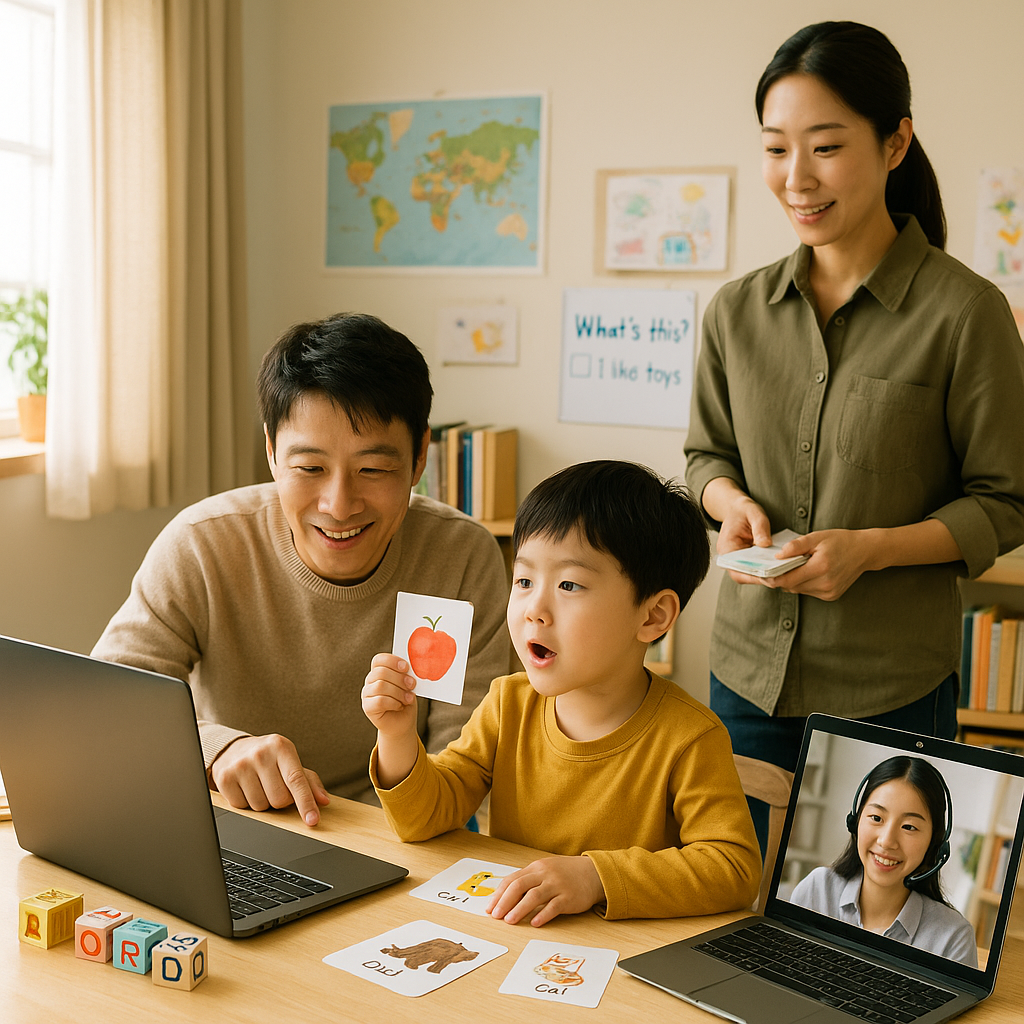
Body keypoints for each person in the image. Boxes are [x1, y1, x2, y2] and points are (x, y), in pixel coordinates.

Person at [684, 21, 1024, 841]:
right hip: (745, 681)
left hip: (892, 693)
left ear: (895, 141)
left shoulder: (966, 313)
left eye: (826, 147)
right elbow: (705, 456)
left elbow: (1007, 504)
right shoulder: (737, 311)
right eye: (775, 149)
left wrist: (870, 549)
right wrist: (728, 503)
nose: (796, 178)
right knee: (733, 906)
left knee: (874, 937)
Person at [93, 312, 510, 825]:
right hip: (236, 825)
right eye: (309, 468)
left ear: (420, 456)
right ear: (270, 451)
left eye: (373, 470)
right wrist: (216, 749)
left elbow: (462, 770)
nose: (339, 505)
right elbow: (105, 705)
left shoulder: (461, 558)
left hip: (396, 832)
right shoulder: (202, 544)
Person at [361, 460, 761, 925]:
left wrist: (595, 876)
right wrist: (396, 735)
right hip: (514, 938)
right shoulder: (508, 703)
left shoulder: (690, 737)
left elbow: (734, 869)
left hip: (618, 964)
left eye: (569, 584)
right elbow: (423, 819)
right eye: (525, 580)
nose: (534, 609)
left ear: (652, 617)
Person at [790, 757, 977, 967]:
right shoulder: (817, 890)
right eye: (876, 818)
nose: (887, 841)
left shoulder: (953, 939)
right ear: (855, 821)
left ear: (935, 842)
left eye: (909, 827)